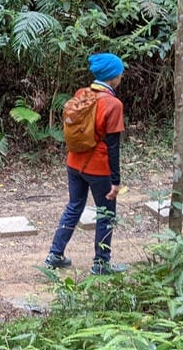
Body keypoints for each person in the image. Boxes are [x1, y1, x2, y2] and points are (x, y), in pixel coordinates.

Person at [45, 52, 127, 275]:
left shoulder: (82, 94)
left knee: (74, 206)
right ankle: (101, 263)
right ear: (112, 76)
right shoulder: (113, 104)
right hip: (98, 168)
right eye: (120, 72)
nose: (121, 76)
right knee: (106, 213)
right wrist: (116, 181)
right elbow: (113, 146)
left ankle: (55, 254)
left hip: (74, 162)